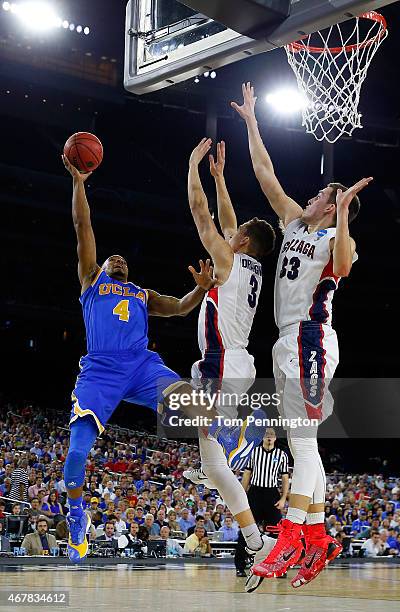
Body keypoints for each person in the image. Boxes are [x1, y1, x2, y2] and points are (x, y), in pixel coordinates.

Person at [232, 82, 372, 589]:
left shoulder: (338, 240)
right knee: (300, 440)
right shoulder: (294, 222)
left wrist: (342, 213)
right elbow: (266, 175)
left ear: (336, 211)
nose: (313, 196)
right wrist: (251, 122)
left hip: (311, 338)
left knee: (303, 441)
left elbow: (346, 265)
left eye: (325, 197)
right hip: (286, 341)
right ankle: (317, 536)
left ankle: (292, 532)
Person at [61, 155, 216, 563]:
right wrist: (79, 182)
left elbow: (182, 307)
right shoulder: (91, 282)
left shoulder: (143, 295)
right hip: (100, 370)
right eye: (114, 259)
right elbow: (83, 227)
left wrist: (200, 289)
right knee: (76, 455)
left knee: (197, 402)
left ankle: (228, 452)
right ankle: (76, 516)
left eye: (123, 260)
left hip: (141, 364)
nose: (120, 261)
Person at [183, 138, 277, 569]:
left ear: (241, 243)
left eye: (234, 235)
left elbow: (203, 217)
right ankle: (254, 538)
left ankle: (236, 439)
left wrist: (193, 168)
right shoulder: (249, 264)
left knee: (215, 455)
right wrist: (221, 178)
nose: (229, 233)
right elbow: (229, 220)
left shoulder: (227, 260)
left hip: (221, 365)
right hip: (236, 362)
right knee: (210, 465)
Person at [235, 428, 289, 580]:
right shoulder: (254, 452)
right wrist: (242, 495)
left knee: (277, 532)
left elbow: (285, 478)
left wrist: (284, 498)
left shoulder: (282, 455)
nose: (269, 438)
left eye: (272, 435)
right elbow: (247, 474)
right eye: (267, 435)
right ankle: (240, 566)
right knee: (246, 530)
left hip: (272, 494)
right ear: (263, 438)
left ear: (276, 438)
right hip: (255, 493)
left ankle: (278, 566)